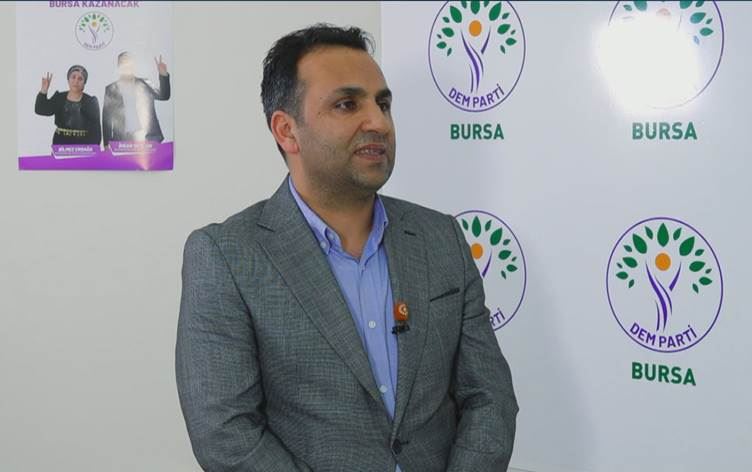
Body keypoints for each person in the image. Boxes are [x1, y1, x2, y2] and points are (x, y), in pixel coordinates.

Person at [176, 24, 518, 472]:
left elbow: (489, 398)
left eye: (383, 104)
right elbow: (225, 435)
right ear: (286, 130)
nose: (378, 122)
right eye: (347, 104)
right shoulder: (227, 256)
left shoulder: (442, 239)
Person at [102, 52, 171, 146]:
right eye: (123, 63)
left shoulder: (145, 83)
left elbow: (164, 96)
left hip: (149, 139)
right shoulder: (111, 89)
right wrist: (106, 144)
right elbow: (107, 119)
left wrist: (163, 75)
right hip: (123, 142)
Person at [34, 65, 101, 146]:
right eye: (73, 77)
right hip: (60, 143)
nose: (76, 81)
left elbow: (96, 130)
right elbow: (40, 110)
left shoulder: (91, 102)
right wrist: (44, 90)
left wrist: (92, 150)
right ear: (68, 80)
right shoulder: (59, 97)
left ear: (84, 83)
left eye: (80, 79)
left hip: (83, 145)